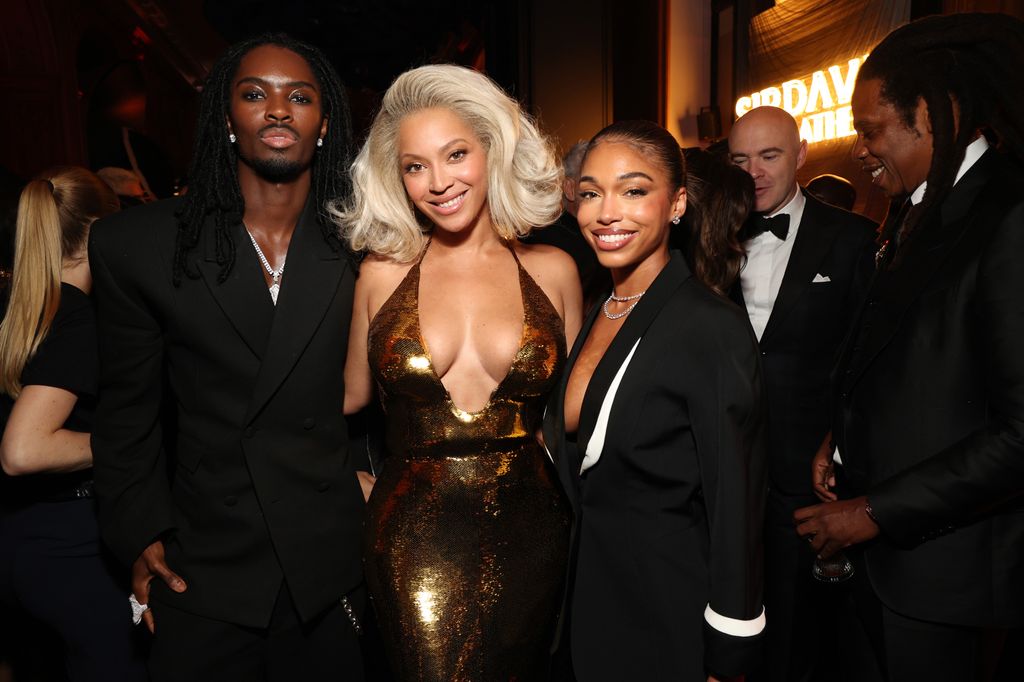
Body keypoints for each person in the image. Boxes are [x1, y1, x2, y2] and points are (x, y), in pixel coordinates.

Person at [89, 34, 366, 681]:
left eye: (299, 97)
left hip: (330, 568)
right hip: (205, 568)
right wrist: (138, 533)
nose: (277, 110)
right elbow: (127, 417)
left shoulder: (368, 243)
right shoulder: (142, 246)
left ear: (323, 124)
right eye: (254, 94)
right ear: (226, 118)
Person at [794, 13, 1024, 682]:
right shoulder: (916, 209)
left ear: (929, 114)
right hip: (886, 567)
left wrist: (872, 512)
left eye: (871, 131)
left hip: (945, 578)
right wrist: (839, 438)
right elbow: (901, 360)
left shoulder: (1008, 217)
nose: (861, 150)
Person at [335, 64, 582, 680]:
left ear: (492, 150)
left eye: (455, 155)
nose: (438, 182)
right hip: (411, 532)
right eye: (415, 166)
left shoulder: (554, 269)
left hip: (535, 527)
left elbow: (581, 413)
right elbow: (339, 406)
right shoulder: (380, 274)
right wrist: (345, 478)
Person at [542, 120, 767, 681]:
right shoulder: (600, 307)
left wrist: (728, 655)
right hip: (589, 604)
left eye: (634, 190)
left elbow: (736, 504)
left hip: (667, 612)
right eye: (591, 192)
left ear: (677, 204)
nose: (606, 212)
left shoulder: (709, 326)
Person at [727, 105, 877, 682]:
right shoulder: (708, 235)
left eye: (769, 156)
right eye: (741, 160)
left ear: (801, 156)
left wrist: (838, 445)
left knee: (801, 630)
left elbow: (865, 358)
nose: (755, 172)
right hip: (724, 464)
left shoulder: (853, 239)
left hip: (809, 465)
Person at [0, 166, 144, 682]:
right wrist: (130, 442)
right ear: (102, 229)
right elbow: (24, 450)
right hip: (69, 547)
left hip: (16, 540)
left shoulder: (20, 308)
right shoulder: (75, 316)